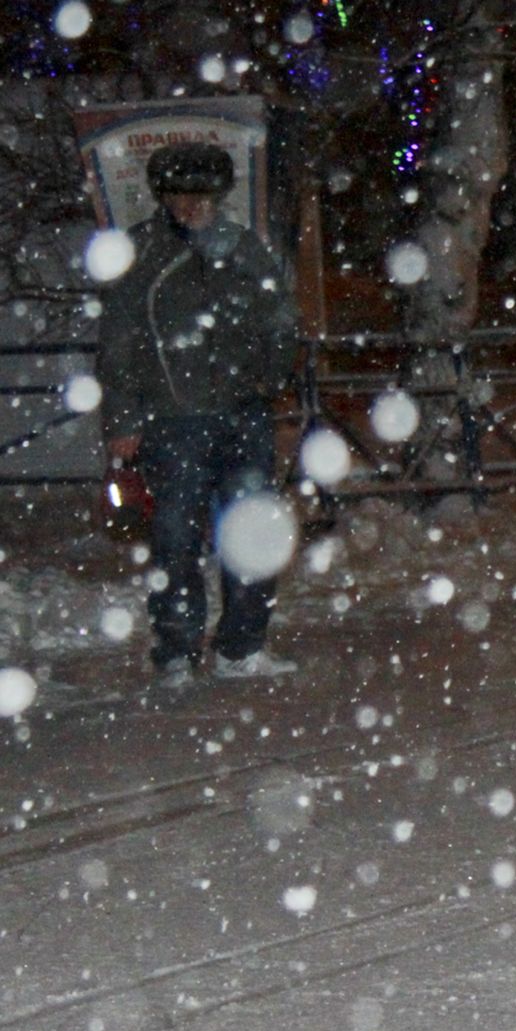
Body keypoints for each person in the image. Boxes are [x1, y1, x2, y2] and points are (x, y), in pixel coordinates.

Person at [98, 142, 298, 686]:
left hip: (242, 413)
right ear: (162, 198)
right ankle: (177, 650)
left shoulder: (244, 248)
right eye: (179, 196)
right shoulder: (141, 254)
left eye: (200, 196)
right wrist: (122, 421)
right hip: (173, 418)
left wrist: (270, 376)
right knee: (176, 538)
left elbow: (279, 315)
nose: (190, 207)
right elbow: (117, 343)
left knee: (253, 535)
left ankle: (241, 646)